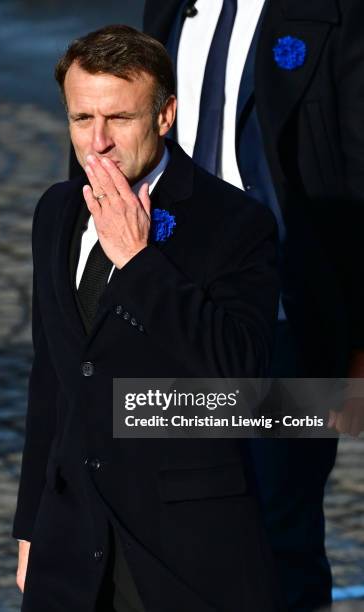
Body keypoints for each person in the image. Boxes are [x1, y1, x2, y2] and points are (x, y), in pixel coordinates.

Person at [12, 25, 284, 612]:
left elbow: (243, 379)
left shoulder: (236, 224)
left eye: (120, 119)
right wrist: (32, 524)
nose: (98, 143)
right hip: (70, 538)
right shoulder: (56, 212)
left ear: (165, 116)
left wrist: (138, 261)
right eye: (82, 119)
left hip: (182, 549)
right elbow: (52, 379)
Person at [143, 1, 364, 610]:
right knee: (177, 528)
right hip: (171, 306)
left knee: (277, 532)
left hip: (287, 318)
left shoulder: (335, 13)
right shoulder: (168, 7)